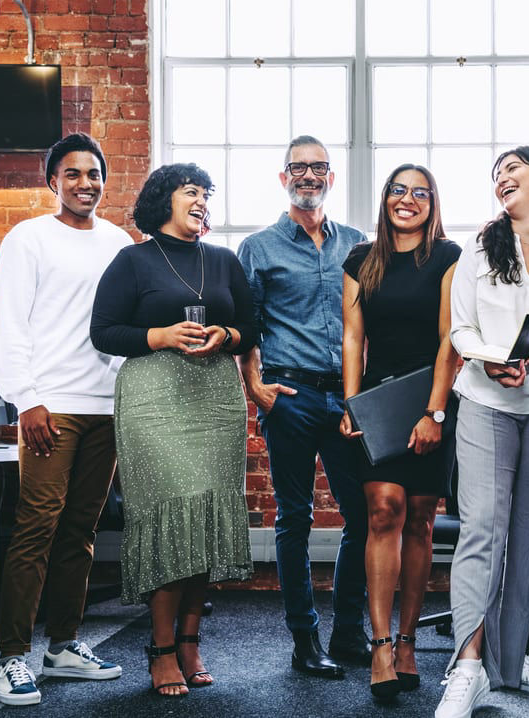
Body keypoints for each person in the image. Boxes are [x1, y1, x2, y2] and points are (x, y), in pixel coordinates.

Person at [90, 163, 257, 697]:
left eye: (208, 193)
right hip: (155, 400)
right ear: (164, 199)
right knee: (168, 515)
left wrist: (225, 333)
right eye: (193, 192)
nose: (203, 200)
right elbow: (104, 331)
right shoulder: (132, 261)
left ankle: (190, 642)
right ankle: (160, 649)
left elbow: (254, 326)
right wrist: (159, 334)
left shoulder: (224, 260)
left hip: (215, 399)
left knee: (202, 519)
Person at [0, 132, 131, 706]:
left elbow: (121, 327)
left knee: (82, 532)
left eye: (94, 173)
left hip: (106, 408)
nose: (85, 183)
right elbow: (10, 325)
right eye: (72, 174)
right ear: (53, 182)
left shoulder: (119, 243)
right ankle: (12, 656)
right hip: (52, 408)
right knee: (36, 528)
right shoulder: (29, 239)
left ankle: (64, 645)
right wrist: (26, 399)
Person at [435, 146, 529, 718]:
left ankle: (516, 660)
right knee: (483, 532)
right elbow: (460, 328)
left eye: (513, 168)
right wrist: (490, 359)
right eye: (496, 174)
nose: (502, 178)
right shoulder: (478, 248)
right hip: (486, 400)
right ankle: (468, 667)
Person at [237, 136, 371, 677]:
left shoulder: (358, 244)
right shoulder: (259, 248)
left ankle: (347, 631)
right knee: (295, 518)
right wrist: (256, 387)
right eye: (299, 167)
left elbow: (369, 325)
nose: (309, 175)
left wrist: (362, 396)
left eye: (319, 167)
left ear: (332, 178)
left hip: (346, 396)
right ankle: (303, 638)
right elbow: (247, 326)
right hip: (288, 395)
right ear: (283, 177)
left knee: (360, 515)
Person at [338, 165, 462, 700]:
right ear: (384, 198)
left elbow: (448, 340)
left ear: (433, 203)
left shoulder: (449, 257)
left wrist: (433, 414)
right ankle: (382, 644)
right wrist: (353, 405)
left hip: (431, 401)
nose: (407, 200)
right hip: (380, 403)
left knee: (419, 521)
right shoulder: (360, 261)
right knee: (383, 508)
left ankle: (409, 640)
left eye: (420, 192)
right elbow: (352, 337)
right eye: (397, 190)